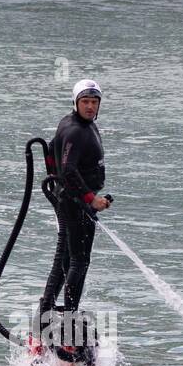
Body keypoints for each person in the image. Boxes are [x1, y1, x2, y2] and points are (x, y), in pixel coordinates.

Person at [40, 79, 110, 320]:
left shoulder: (78, 124)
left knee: (66, 256)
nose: (90, 107)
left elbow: (51, 149)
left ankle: (46, 311)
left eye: (94, 102)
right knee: (79, 261)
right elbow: (69, 170)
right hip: (75, 203)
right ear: (76, 103)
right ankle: (70, 318)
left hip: (71, 199)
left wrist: (53, 175)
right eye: (85, 102)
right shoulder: (75, 130)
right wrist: (91, 199)